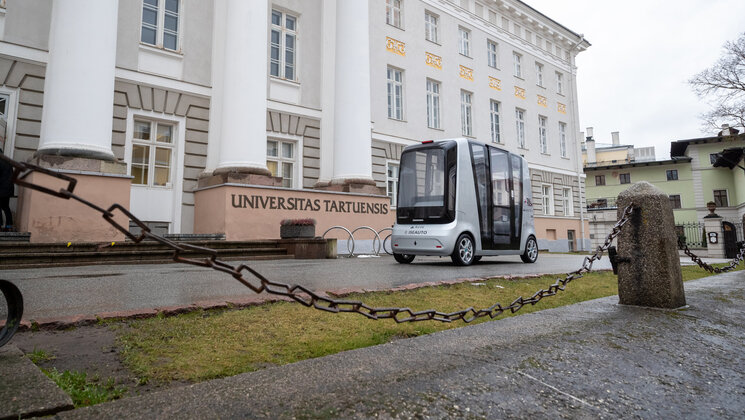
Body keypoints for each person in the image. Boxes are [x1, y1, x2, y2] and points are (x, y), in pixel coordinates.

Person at [0, 149, 13, 231]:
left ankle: (0, 225)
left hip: (1, 188)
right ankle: (9, 226)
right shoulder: (8, 162)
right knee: (6, 207)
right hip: (8, 189)